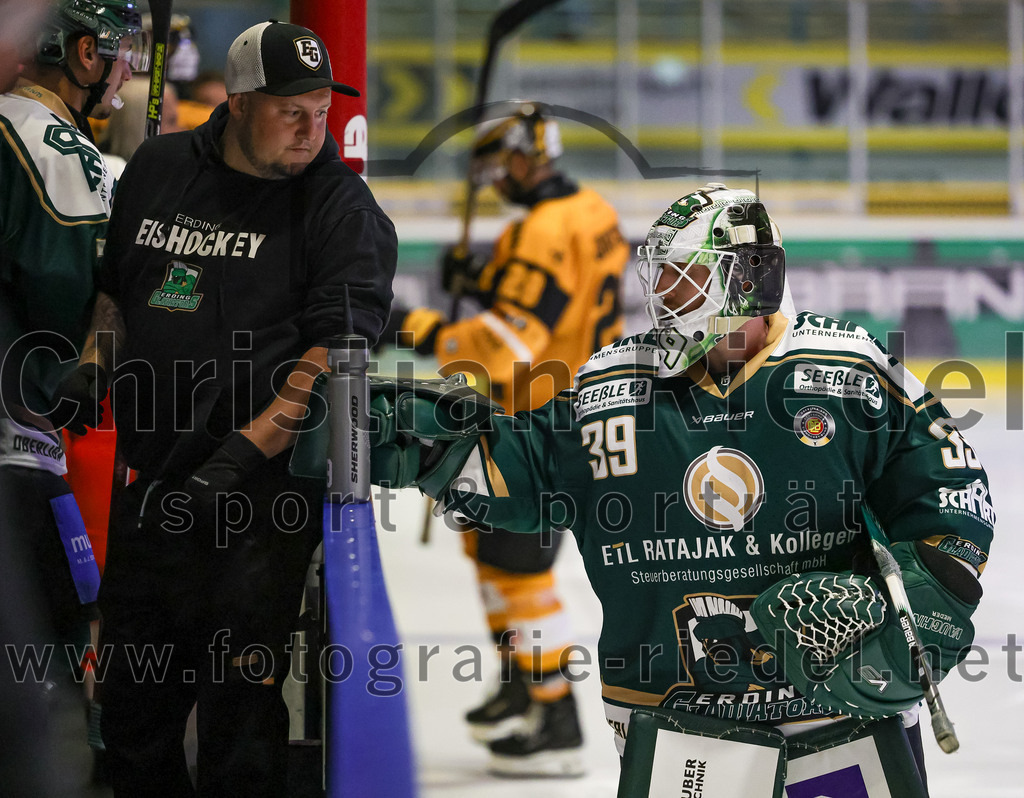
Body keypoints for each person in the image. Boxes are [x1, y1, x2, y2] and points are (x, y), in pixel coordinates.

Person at [369, 184, 992, 793]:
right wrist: (428, 452)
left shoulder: (852, 372)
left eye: (686, 276)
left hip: (841, 716)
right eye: (661, 275)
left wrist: (919, 606)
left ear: (749, 277)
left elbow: (952, 492)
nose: (664, 293)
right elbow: (524, 467)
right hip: (676, 725)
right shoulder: (614, 381)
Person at [56, 19, 397, 796]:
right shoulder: (159, 165)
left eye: (321, 110)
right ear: (239, 103)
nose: (313, 130)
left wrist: (243, 452)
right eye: (292, 111)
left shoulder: (339, 206)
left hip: (258, 502)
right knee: (135, 709)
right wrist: (92, 366)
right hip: (153, 483)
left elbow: (334, 352)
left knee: (239, 711)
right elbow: (117, 288)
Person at [381, 101, 629, 776]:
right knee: (494, 558)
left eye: (498, 169)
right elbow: (558, 300)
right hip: (572, 409)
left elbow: (504, 348)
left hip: (538, 427)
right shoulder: (593, 211)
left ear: (523, 158)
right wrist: (485, 280)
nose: (494, 185)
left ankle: (557, 721)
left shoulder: (540, 232)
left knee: (520, 575)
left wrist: (415, 326)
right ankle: (524, 682)